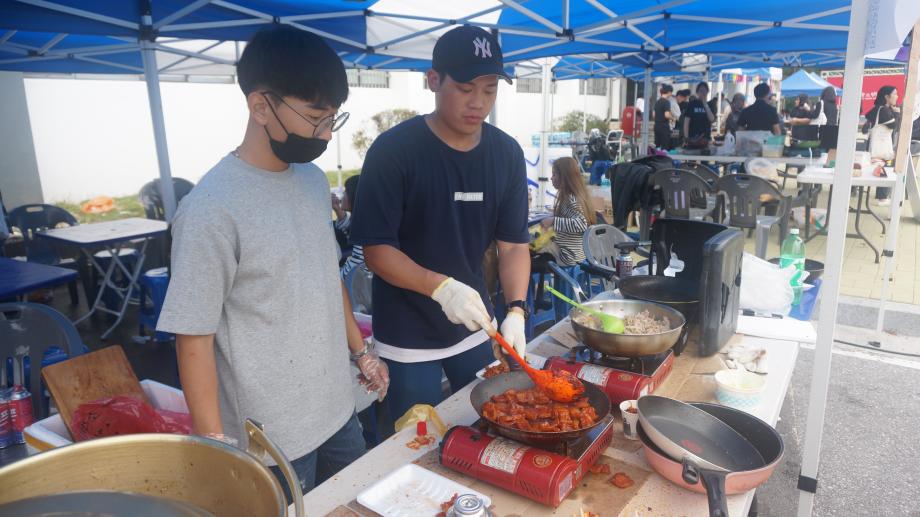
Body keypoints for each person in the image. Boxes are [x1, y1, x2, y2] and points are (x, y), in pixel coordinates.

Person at [155, 26, 389, 503]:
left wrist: (360, 351)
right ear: (260, 106)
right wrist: (214, 443)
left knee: (361, 505)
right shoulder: (210, 211)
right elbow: (193, 336)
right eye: (315, 118)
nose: (326, 134)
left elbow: (327, 277)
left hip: (337, 407)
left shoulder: (313, 181)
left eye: (333, 119)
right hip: (270, 439)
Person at [349, 26, 531, 422]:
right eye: (465, 88)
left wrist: (516, 309)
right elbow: (377, 250)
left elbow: (514, 244)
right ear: (433, 81)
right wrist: (441, 288)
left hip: (475, 324)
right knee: (412, 439)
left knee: (489, 422)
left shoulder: (506, 154)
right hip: (406, 336)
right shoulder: (394, 151)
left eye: (490, 90)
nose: (478, 102)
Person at [541, 156, 596, 266]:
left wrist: (553, 221)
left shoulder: (571, 199)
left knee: (530, 248)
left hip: (567, 255)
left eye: (554, 174)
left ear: (564, 177)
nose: (551, 178)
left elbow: (581, 224)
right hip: (577, 254)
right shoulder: (576, 196)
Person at [864, 85, 900, 205]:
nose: (897, 96)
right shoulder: (884, 110)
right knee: (885, 166)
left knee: (877, 166)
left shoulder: (878, 108)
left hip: (874, 144)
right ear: (887, 97)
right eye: (894, 94)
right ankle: (883, 197)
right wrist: (897, 114)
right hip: (882, 146)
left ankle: (880, 196)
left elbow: (867, 123)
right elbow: (894, 125)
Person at [335, 175, 367, 280]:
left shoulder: (364, 226)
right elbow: (349, 227)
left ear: (355, 194)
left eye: (346, 191)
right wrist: (337, 209)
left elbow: (356, 267)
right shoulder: (364, 219)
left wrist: (333, 277)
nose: (342, 195)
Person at [682, 82, 715, 147]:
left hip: (705, 139)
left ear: (708, 92)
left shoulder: (710, 104)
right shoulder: (692, 104)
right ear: (697, 92)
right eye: (701, 91)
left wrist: (705, 104)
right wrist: (686, 138)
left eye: (705, 91)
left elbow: (711, 119)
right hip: (693, 138)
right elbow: (686, 122)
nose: (703, 93)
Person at [654, 84, 676, 150]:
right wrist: (673, 118)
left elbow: (653, 115)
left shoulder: (657, 102)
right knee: (664, 147)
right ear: (669, 92)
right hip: (664, 127)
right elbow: (667, 115)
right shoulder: (666, 102)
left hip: (656, 126)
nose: (671, 94)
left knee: (657, 146)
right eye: (671, 93)